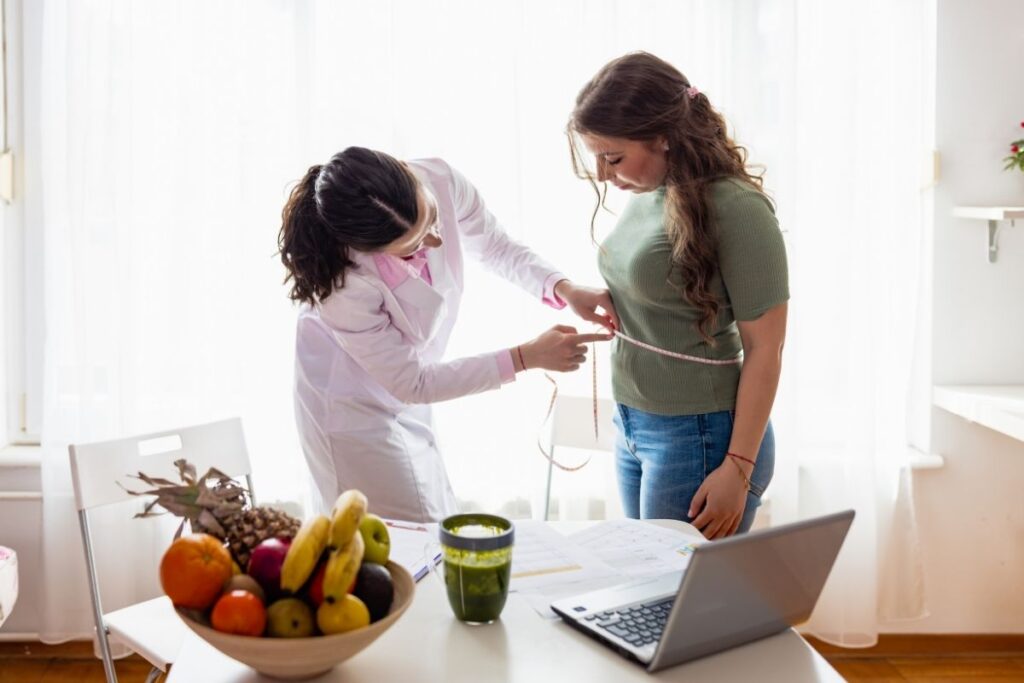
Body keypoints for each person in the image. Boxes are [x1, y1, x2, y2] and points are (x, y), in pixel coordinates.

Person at [278, 147, 618, 522]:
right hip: (350, 407)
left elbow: (495, 246)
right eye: (414, 245)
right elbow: (414, 382)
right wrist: (526, 357)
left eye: (433, 219)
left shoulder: (439, 178)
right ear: (368, 249)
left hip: (406, 386)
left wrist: (563, 288)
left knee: (433, 522)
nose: (436, 241)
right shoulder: (343, 285)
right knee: (399, 536)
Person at [567, 52, 788, 539]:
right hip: (634, 424)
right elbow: (664, 283)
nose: (604, 174)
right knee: (651, 595)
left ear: (664, 137)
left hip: (700, 435)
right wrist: (597, 295)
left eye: (614, 157)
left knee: (672, 601)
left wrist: (738, 466)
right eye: (598, 158)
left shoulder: (738, 209)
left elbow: (766, 349)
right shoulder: (651, 191)